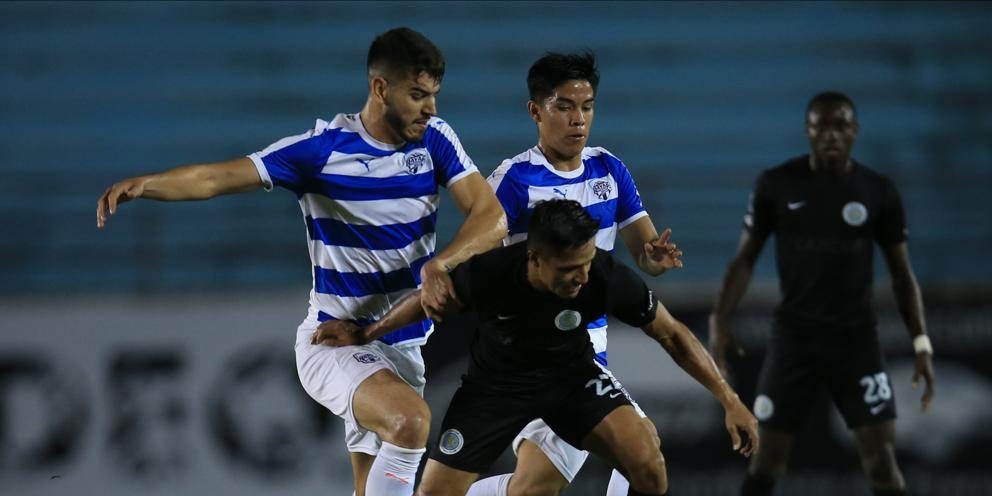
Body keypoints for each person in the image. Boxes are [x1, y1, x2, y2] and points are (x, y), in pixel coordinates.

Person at [95, 27, 507, 496]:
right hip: (334, 343)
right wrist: (147, 184)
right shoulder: (321, 151)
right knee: (411, 423)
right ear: (380, 88)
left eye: (433, 95)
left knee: (370, 485)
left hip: (402, 345)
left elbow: (490, 214)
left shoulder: (434, 141)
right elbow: (215, 178)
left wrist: (440, 264)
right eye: (417, 95)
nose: (430, 108)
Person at [314, 199, 759, 496]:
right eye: (568, 269)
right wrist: (367, 333)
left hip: (572, 379)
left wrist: (730, 399)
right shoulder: (492, 272)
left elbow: (673, 333)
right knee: (433, 494)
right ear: (534, 259)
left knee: (648, 466)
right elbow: (426, 303)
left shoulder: (603, 274)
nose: (581, 277)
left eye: (585, 264)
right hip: (495, 388)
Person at [473, 51, 684, 496]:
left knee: (637, 454)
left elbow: (642, 253)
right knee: (634, 454)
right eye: (564, 106)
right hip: (534, 352)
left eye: (586, 107)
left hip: (589, 348)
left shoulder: (609, 169)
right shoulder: (513, 181)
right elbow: (479, 263)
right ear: (535, 111)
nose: (578, 119)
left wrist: (655, 260)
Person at [707, 91, 936, 496]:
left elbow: (902, 275)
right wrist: (719, 318)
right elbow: (744, 260)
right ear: (808, 132)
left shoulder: (877, 191)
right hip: (794, 340)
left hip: (856, 340)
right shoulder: (776, 185)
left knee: (882, 462)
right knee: (764, 463)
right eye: (822, 127)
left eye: (841, 126)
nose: (831, 135)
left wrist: (921, 342)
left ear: (855, 131)